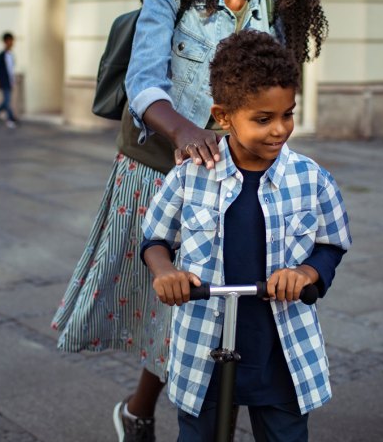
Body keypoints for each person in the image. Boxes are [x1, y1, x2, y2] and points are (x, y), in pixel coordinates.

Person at [50, 0, 327, 442]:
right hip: (156, 170)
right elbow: (143, 80)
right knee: (168, 306)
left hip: (222, 182)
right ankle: (149, 413)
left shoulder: (270, 9)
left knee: (198, 310)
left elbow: (262, 97)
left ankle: (150, 413)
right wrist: (182, 131)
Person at [141, 30, 350, 441]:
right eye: (262, 119)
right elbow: (155, 239)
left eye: (287, 114)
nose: (279, 129)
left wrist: (306, 274)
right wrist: (165, 272)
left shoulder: (311, 179)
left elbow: (331, 243)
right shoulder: (190, 176)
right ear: (223, 116)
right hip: (205, 344)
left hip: (279, 347)